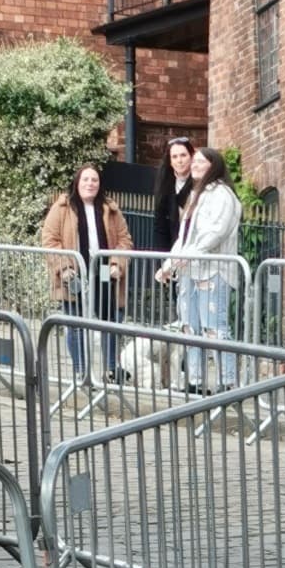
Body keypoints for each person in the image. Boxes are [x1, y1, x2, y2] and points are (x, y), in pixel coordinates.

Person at [156, 146, 242, 392]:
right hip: (190, 271)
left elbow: (215, 232)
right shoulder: (196, 195)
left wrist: (185, 257)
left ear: (213, 166)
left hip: (214, 270)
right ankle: (195, 381)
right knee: (190, 328)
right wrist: (169, 264)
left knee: (215, 328)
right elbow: (184, 237)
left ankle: (227, 383)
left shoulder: (223, 195)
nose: (194, 165)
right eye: (194, 162)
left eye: (200, 162)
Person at [41, 164, 134, 383]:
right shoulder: (62, 207)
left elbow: (124, 240)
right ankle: (82, 372)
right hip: (75, 272)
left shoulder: (110, 208)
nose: (90, 184)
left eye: (94, 180)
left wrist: (116, 264)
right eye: (85, 180)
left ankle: (112, 369)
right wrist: (64, 268)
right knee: (75, 323)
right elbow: (50, 240)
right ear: (77, 182)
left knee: (111, 320)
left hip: (103, 271)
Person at [152, 136, 195, 255]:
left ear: (191, 156)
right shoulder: (165, 183)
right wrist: (161, 259)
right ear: (170, 161)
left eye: (183, 155)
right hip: (171, 248)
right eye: (174, 157)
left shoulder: (199, 182)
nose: (179, 160)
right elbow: (160, 225)